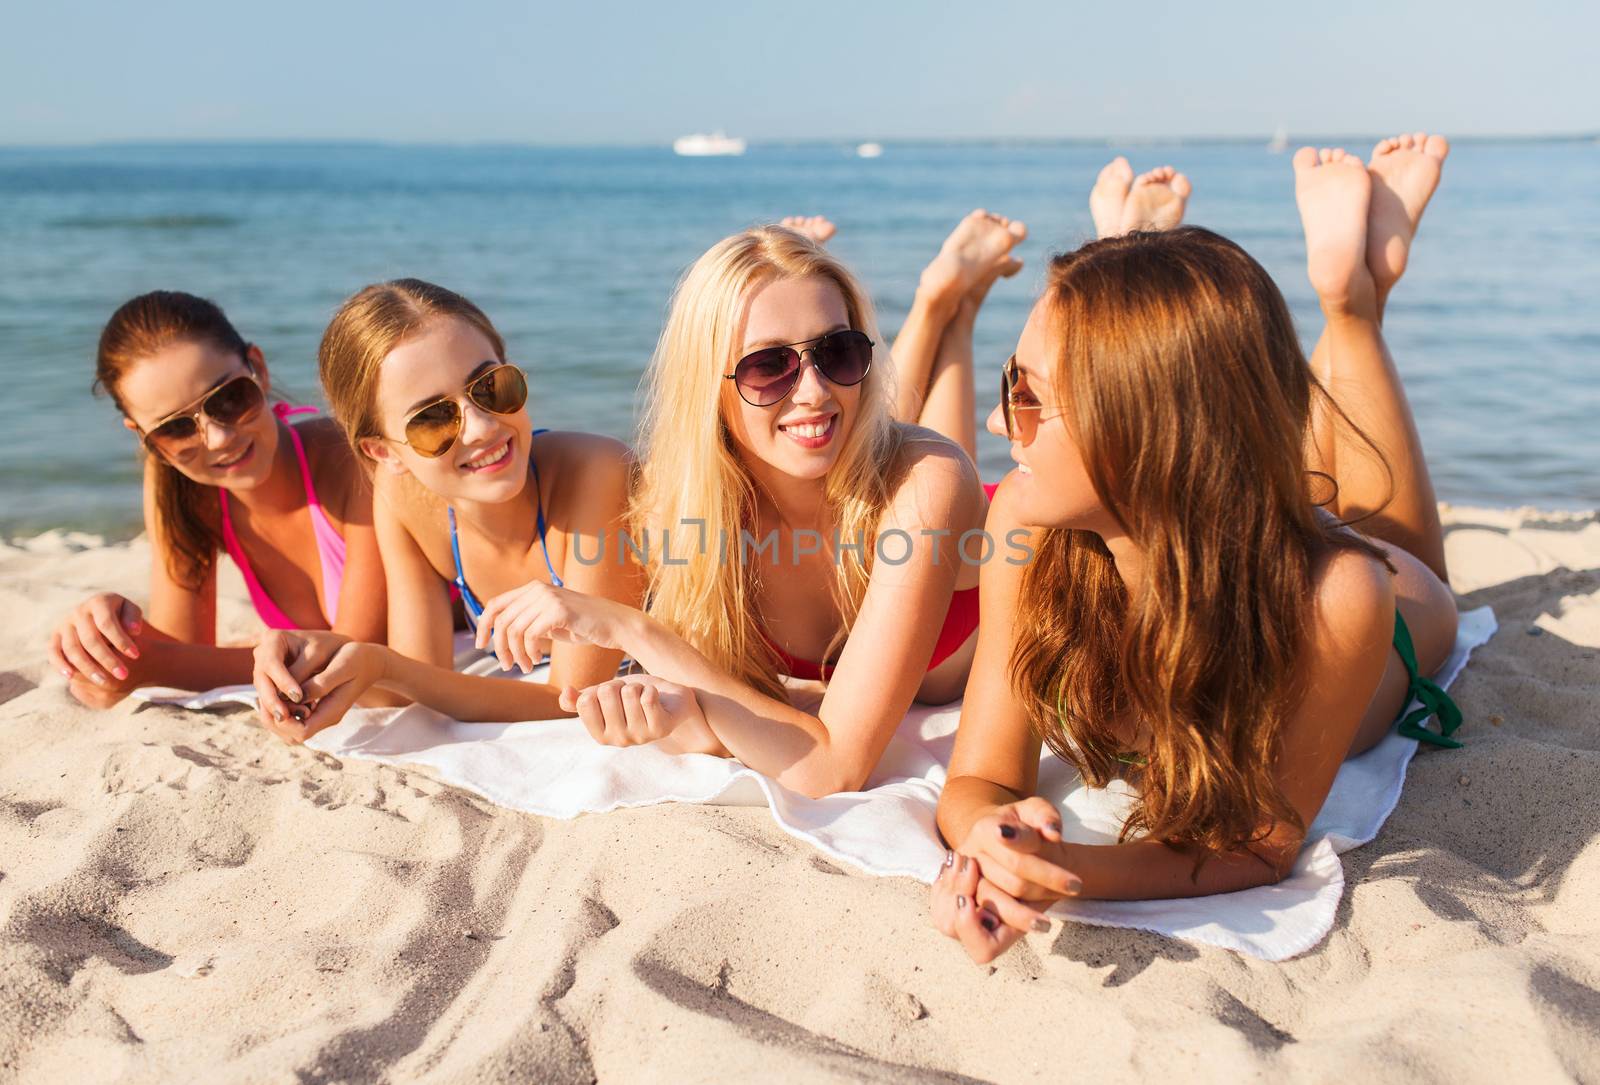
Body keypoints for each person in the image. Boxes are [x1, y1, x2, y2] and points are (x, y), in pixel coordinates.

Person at [930, 134, 1459, 962]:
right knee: (1315, 492)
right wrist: (992, 840)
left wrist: (1069, 869)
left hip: (1384, 618)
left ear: (1141, 433)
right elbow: (979, 778)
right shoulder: (1026, 534)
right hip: (1227, 530)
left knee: (1396, 543)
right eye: (1009, 382)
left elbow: (1259, 842)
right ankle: (1318, 284)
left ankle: (1353, 298)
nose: (1001, 422)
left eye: (1029, 395)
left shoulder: (1339, 595)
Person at [249, 279, 641, 741]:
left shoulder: (597, 473)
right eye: (433, 419)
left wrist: (382, 666)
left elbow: (569, 699)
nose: (481, 427)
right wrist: (313, 660)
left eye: (490, 386)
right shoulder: (406, 504)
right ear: (382, 453)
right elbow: (419, 675)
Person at [47, 291, 386, 710]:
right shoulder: (182, 484)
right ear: (145, 438)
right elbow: (186, 647)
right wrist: (109, 633)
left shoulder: (346, 459)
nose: (219, 438)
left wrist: (155, 665)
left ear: (257, 369)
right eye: (174, 429)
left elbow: (357, 659)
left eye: (228, 398)